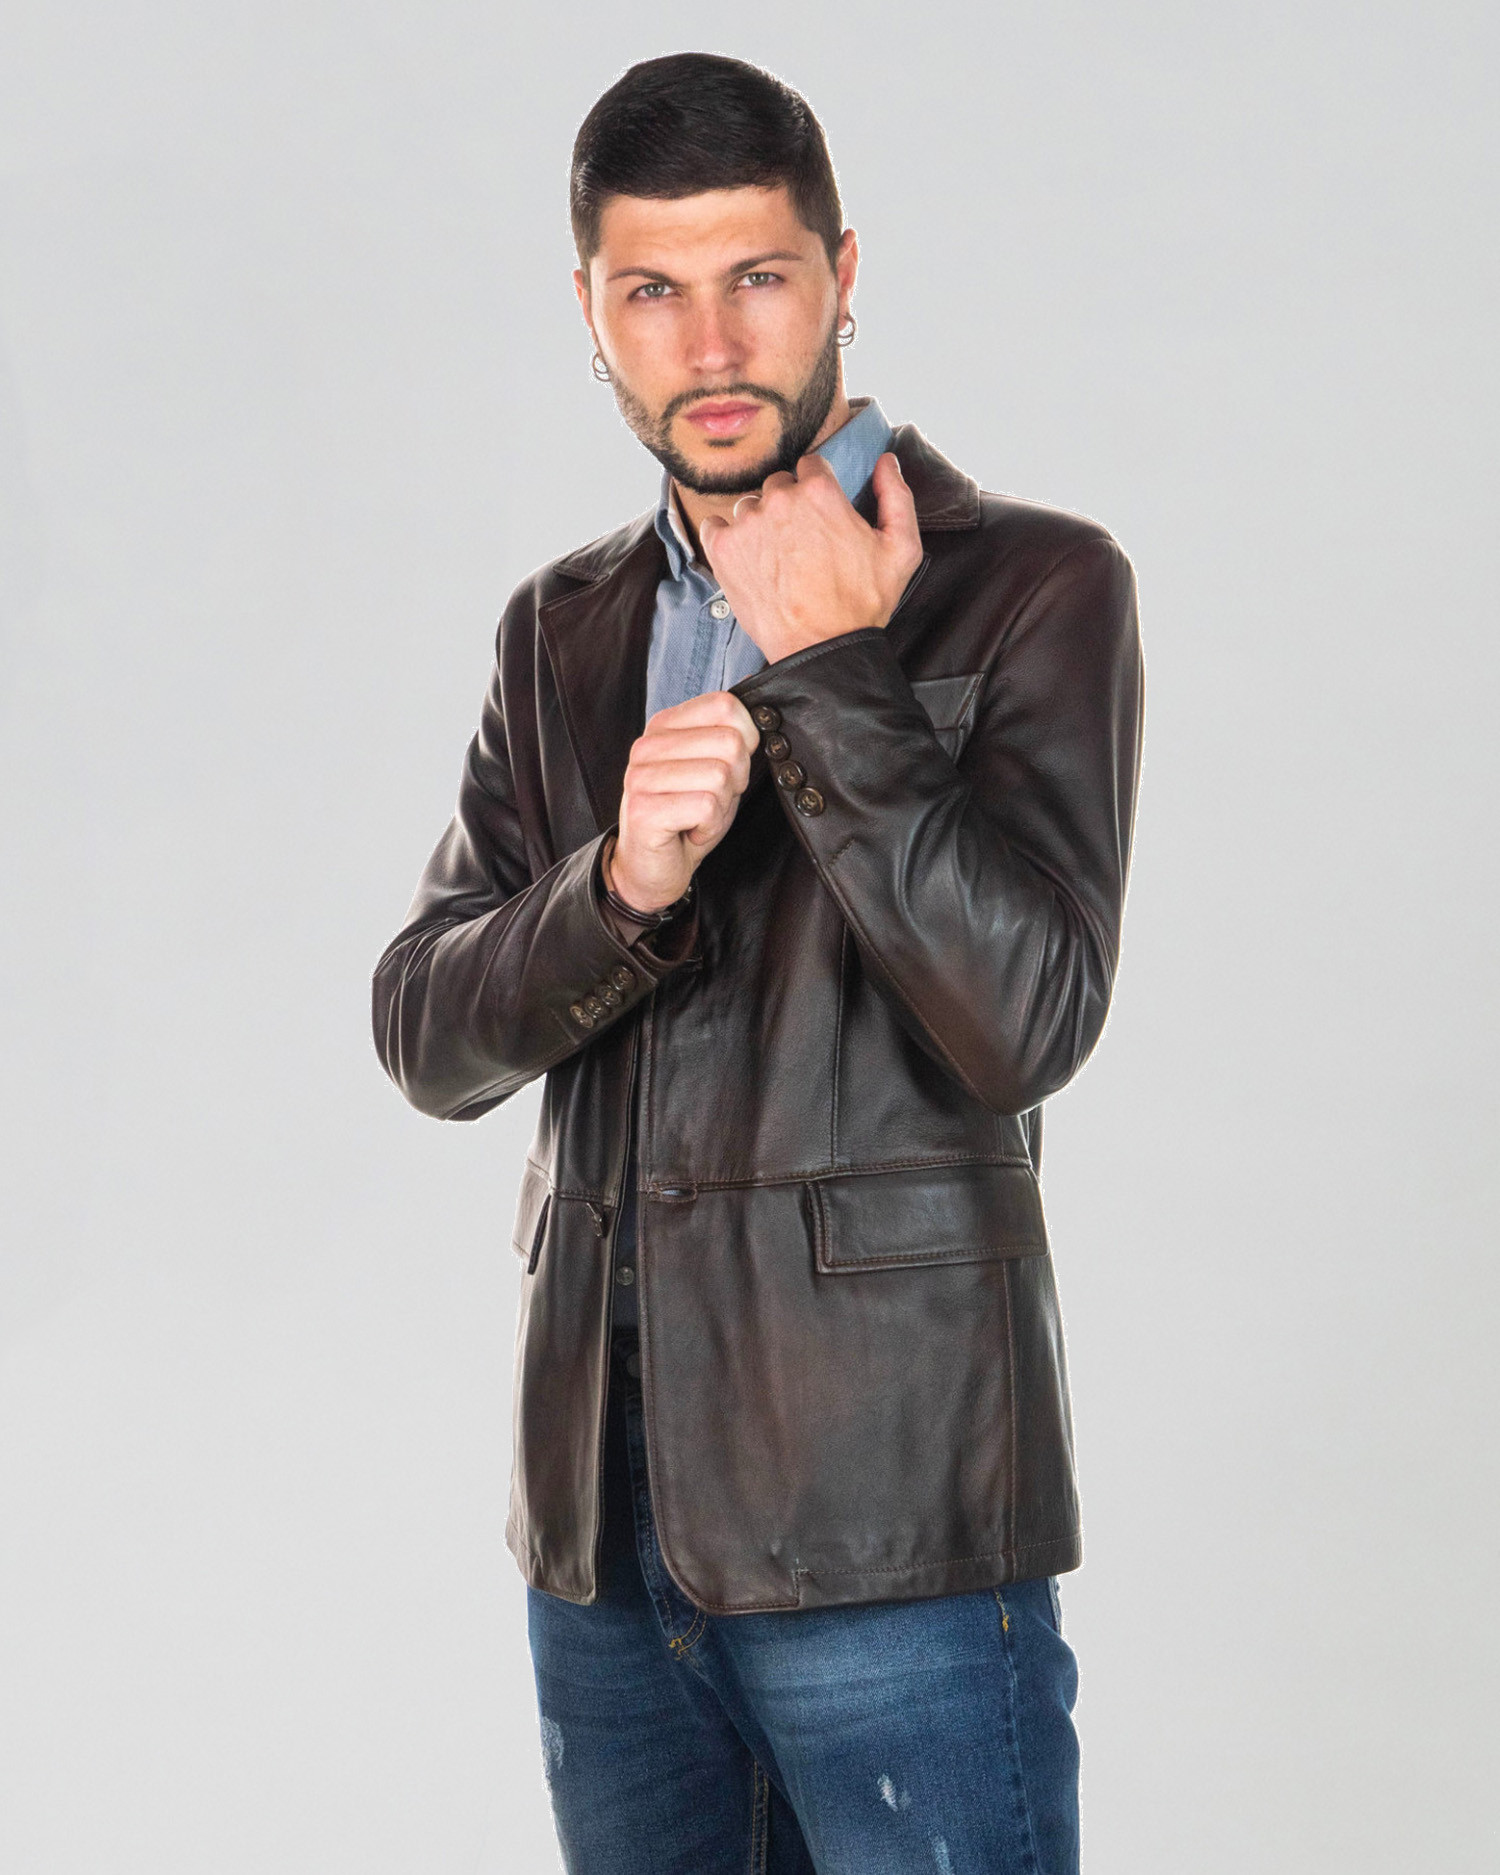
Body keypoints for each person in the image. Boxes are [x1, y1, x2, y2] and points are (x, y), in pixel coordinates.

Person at [372, 49, 1144, 1875]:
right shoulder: (561, 630)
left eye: (759, 277)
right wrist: (618, 888)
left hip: (892, 1525)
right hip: (604, 1538)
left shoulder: (1035, 589)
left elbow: (1027, 1017)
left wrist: (835, 676)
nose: (711, 345)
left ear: (843, 275)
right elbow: (426, 1027)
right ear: (590, 311)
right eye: (653, 290)